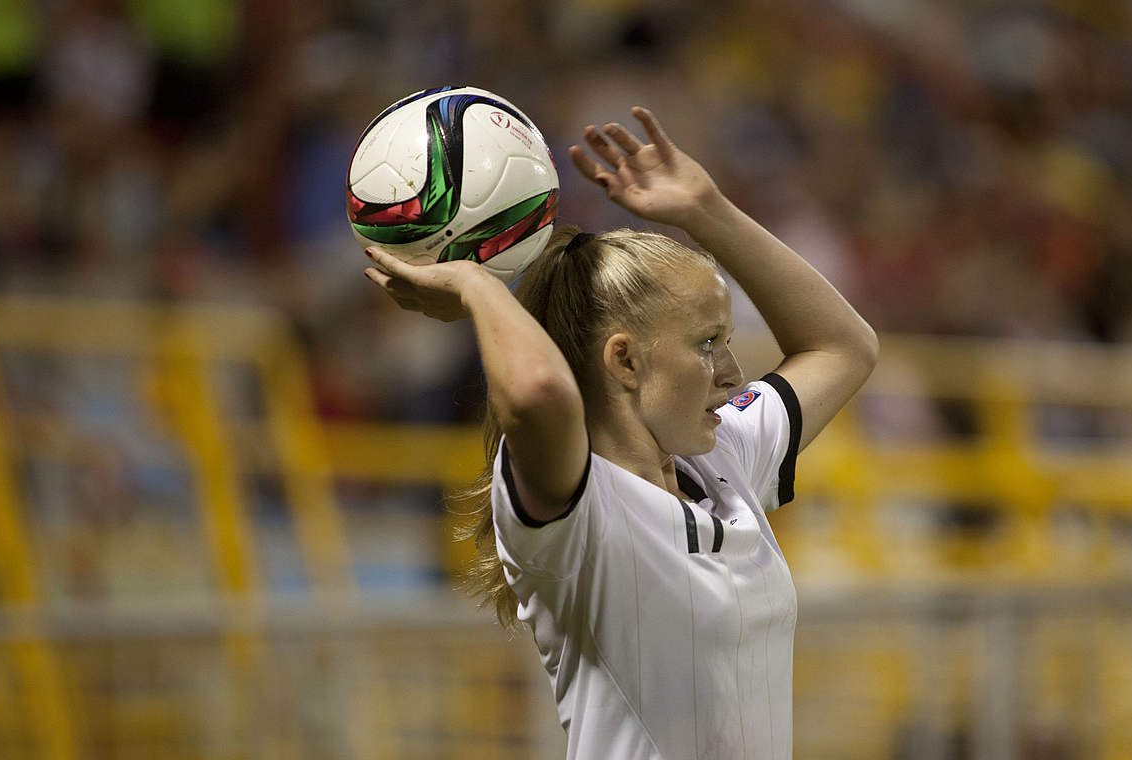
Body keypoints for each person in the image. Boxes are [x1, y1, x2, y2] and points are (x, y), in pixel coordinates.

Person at [363, 106, 878, 759]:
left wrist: (706, 209)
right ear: (625, 360)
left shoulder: (722, 461)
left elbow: (844, 347)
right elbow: (539, 393)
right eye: (708, 343)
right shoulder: (574, 500)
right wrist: (475, 284)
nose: (733, 372)